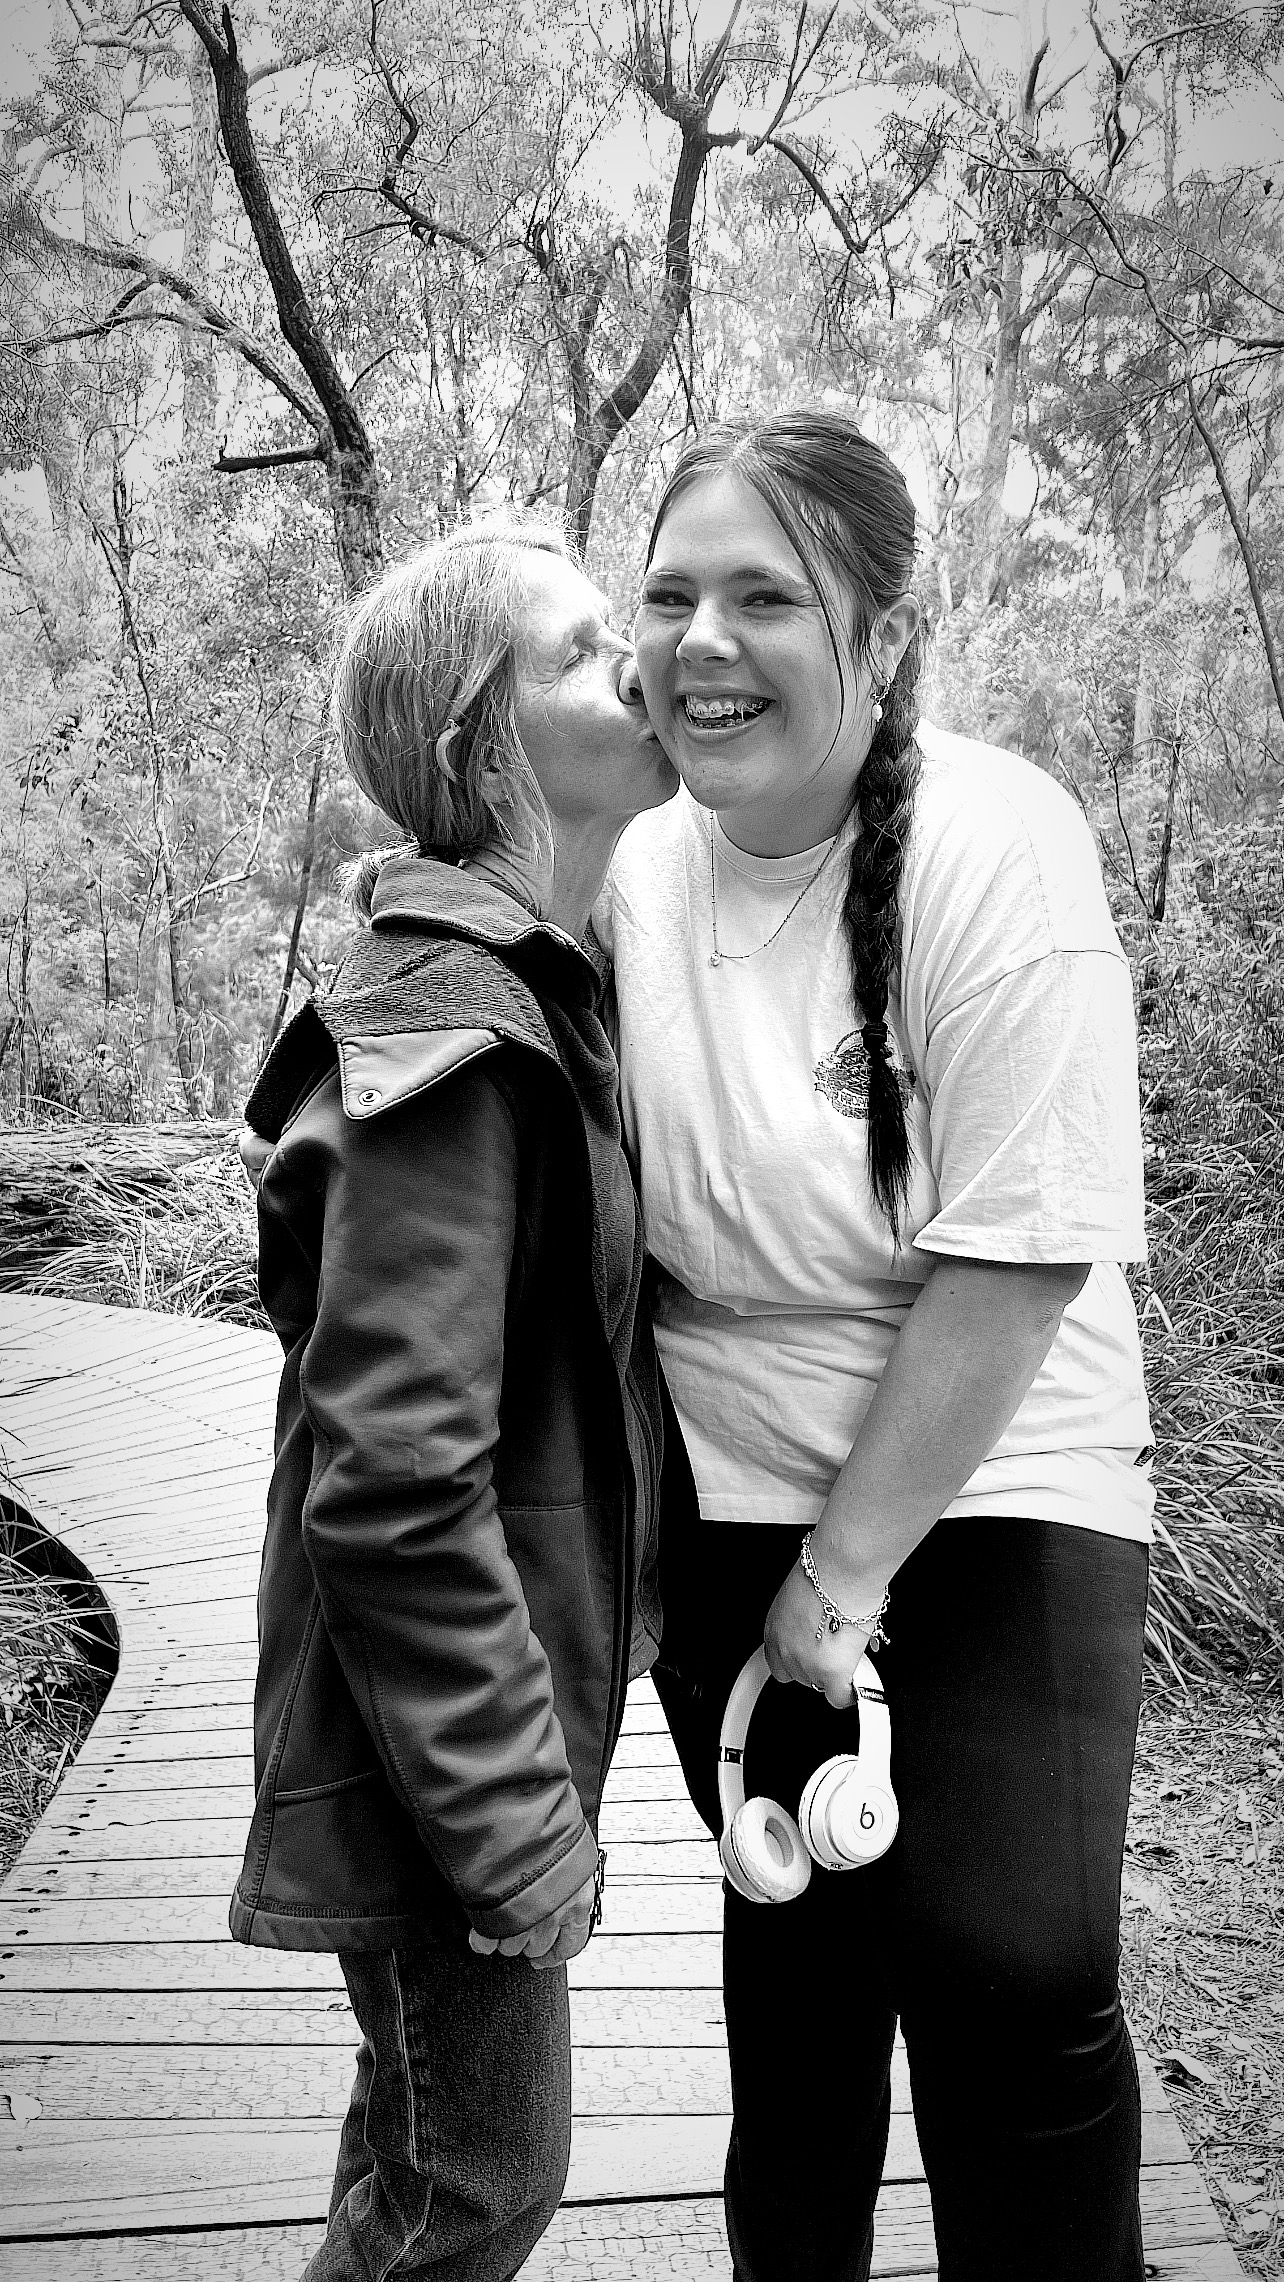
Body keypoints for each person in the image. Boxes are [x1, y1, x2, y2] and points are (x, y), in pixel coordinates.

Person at [600, 410, 1154, 2282]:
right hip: (730, 1471)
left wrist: (838, 1587)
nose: (703, 640)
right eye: (671, 593)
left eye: (767, 597)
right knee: (804, 1967)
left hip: (996, 1460)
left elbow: (1017, 1263)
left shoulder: (998, 849)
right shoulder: (630, 870)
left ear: (886, 633)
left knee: (1013, 1969)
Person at [230, 516, 675, 2281]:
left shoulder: (533, 994)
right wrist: (514, 1835)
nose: (636, 661)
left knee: (423, 2153)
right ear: (479, 745)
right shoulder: (454, 1038)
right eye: (578, 648)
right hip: (432, 1764)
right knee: (479, 2180)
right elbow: (398, 1487)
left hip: (446, 1730)